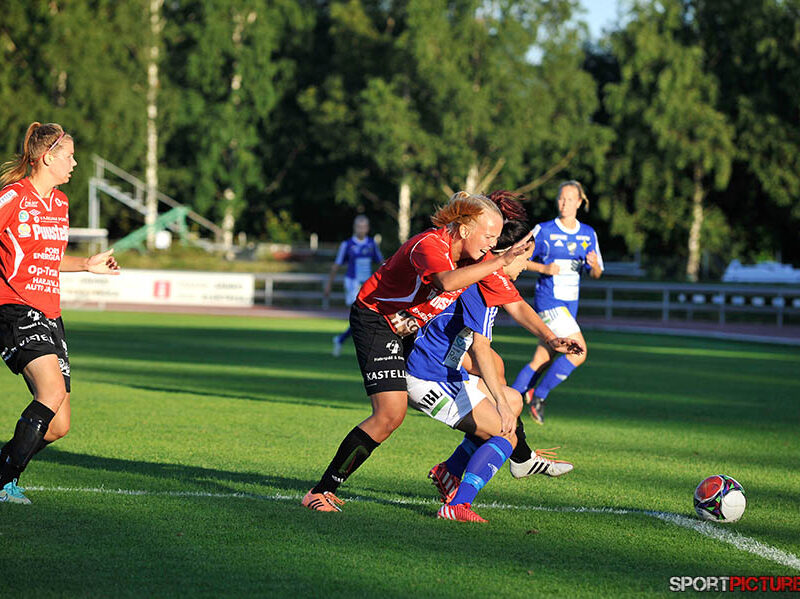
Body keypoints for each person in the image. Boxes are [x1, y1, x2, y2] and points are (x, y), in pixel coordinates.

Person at [301, 191, 541, 512]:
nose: (493, 244)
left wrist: (551, 338)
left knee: (498, 387)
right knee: (389, 414)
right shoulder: (429, 245)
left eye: (497, 239)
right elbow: (446, 282)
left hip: (404, 328)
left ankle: (472, 466)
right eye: (489, 236)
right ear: (465, 230)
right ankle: (320, 492)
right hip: (376, 319)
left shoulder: (474, 257)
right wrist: (498, 261)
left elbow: (513, 301)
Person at [406, 218, 568, 522]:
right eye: (525, 257)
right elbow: (480, 348)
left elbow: (517, 305)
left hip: (444, 369)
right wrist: (500, 405)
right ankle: (458, 505)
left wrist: (550, 338)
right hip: (428, 377)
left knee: (514, 401)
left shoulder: (487, 275)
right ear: (508, 253)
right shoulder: (482, 287)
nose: (527, 265)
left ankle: (450, 471)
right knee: (506, 432)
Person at [0, 122, 120, 504]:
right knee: (50, 393)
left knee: (59, 426)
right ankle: (3, 481)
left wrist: (86, 264)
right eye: (69, 155)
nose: (74, 162)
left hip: (51, 314)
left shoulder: (61, 204)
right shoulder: (12, 197)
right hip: (15, 309)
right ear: (47, 158)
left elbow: (50, 258)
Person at [510, 180, 603, 425]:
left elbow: (597, 273)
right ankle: (539, 396)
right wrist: (543, 268)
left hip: (570, 306)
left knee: (542, 359)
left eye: (570, 199)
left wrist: (594, 266)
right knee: (579, 351)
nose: (564, 203)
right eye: (561, 198)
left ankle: (508, 402)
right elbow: (516, 257)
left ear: (579, 202)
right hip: (549, 302)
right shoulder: (544, 230)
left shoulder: (588, 233)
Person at [324, 215, 383, 357]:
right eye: (359, 226)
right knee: (361, 315)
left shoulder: (371, 244)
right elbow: (336, 266)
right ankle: (365, 347)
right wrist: (328, 285)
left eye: (364, 226)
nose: (361, 229)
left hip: (368, 284)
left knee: (364, 317)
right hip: (352, 283)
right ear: (354, 228)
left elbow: (381, 263)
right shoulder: (347, 244)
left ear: (368, 228)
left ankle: (341, 339)